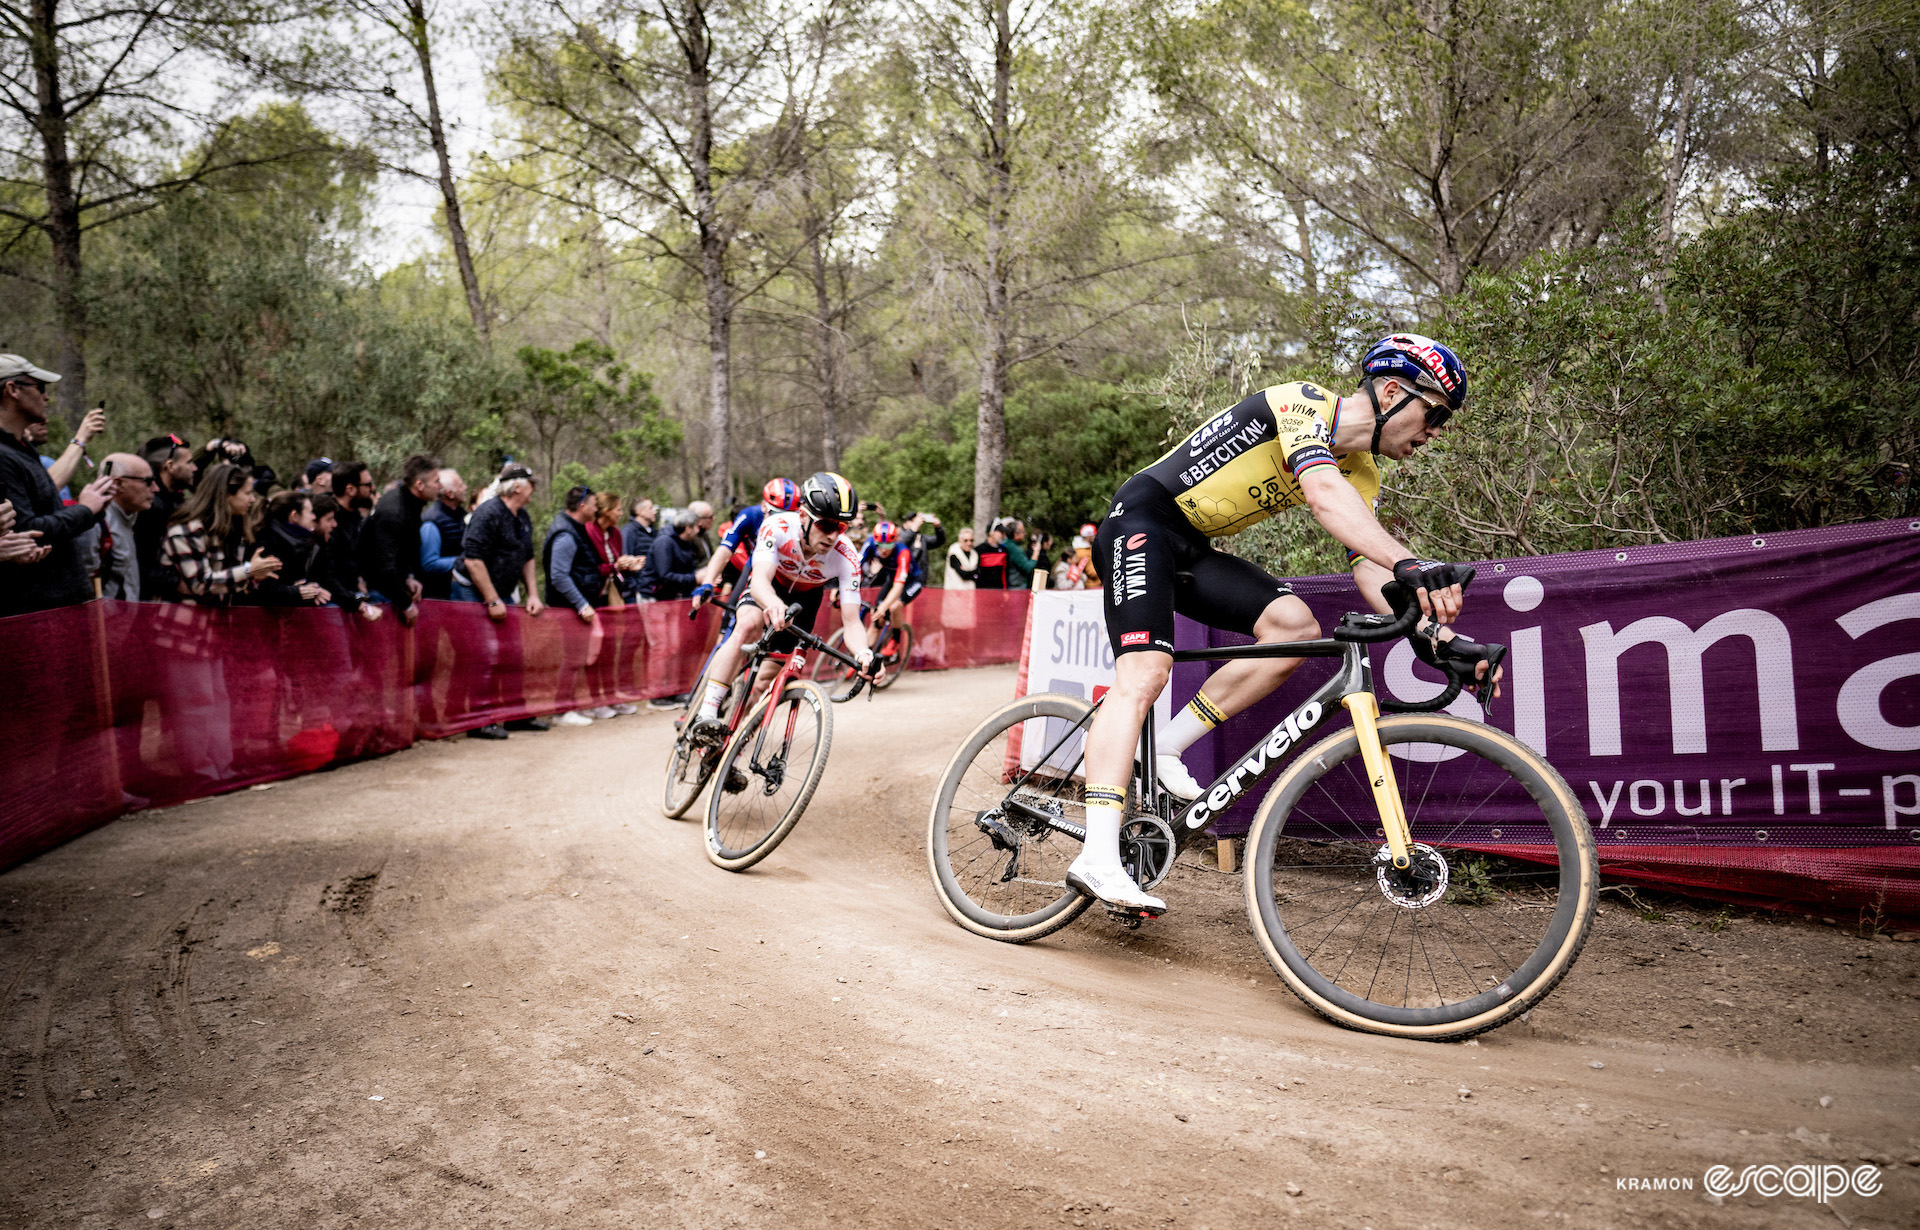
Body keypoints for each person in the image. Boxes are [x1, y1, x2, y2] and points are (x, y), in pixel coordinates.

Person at [1067, 333, 1499, 914]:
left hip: (1192, 547)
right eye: (1436, 413)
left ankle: (1164, 748)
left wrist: (1438, 639)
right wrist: (1411, 564)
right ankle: (1097, 853)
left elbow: (1373, 572)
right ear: (1394, 392)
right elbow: (1322, 494)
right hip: (1140, 523)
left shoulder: (1362, 472)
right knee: (1145, 675)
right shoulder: (1302, 404)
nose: (1437, 431)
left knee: (1293, 628)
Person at [686, 472, 875, 743]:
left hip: (805, 601)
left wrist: (864, 653)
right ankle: (707, 712)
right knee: (748, 624)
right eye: (825, 524)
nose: (832, 535)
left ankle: (734, 746)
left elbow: (852, 620)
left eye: (841, 527)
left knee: (766, 683)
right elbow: (760, 579)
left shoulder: (847, 556)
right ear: (804, 517)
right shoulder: (777, 526)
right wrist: (773, 603)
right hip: (770, 586)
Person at [0, 355, 116, 615]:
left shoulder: (21, 449)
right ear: (12, 390)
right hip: (36, 611)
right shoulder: (3, 455)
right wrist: (86, 509)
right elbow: (28, 530)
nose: (46, 397)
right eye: (39, 388)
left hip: (56, 606)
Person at [460, 463, 546, 739]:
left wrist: (532, 593)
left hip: (504, 592)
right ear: (517, 486)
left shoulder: (522, 516)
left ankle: (515, 714)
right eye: (531, 483)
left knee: (513, 653)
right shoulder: (488, 512)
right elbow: (472, 559)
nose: (534, 488)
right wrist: (492, 599)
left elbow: (528, 557)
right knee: (484, 655)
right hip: (474, 592)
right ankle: (479, 720)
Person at [159, 462, 281, 605]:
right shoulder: (186, 531)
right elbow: (200, 584)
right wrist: (248, 570)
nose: (252, 499)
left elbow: (228, 586)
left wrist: (254, 576)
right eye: (247, 493)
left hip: (215, 622)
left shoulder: (234, 530)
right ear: (226, 494)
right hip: (179, 621)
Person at [358, 453, 441, 626]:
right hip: (378, 592)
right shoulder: (394, 511)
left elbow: (407, 548)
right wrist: (406, 604)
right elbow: (385, 565)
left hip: (395, 586)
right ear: (419, 485)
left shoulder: (412, 504)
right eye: (436, 481)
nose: (440, 486)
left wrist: (409, 577)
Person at [135, 434, 196, 599]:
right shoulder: (149, 508)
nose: (195, 468)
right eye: (189, 462)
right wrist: (175, 583)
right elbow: (139, 562)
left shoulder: (173, 501)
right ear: (170, 466)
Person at [252, 490, 334, 607]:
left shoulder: (299, 542)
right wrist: (297, 591)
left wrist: (311, 591)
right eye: (310, 512)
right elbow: (266, 589)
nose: (314, 517)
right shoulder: (267, 542)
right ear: (294, 516)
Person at [97, 452, 155, 600]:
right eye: (148, 482)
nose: (155, 488)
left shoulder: (129, 518)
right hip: (106, 620)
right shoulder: (97, 524)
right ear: (118, 484)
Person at [858, 520, 925, 630]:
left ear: (895, 542)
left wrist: (884, 606)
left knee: (894, 607)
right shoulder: (870, 543)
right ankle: (870, 646)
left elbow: (898, 586)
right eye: (880, 545)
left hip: (913, 580)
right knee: (877, 619)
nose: (883, 549)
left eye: (888, 545)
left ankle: (895, 639)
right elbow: (855, 565)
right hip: (892, 578)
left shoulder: (903, 552)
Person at [420, 467, 474, 601]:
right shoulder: (431, 521)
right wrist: (464, 562)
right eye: (461, 485)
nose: (465, 487)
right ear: (450, 493)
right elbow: (429, 563)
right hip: (440, 596)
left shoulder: (463, 516)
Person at [326, 460, 375, 603]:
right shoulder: (327, 520)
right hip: (336, 598)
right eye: (367, 484)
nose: (372, 489)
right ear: (350, 490)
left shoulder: (356, 515)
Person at [635, 506, 705, 601]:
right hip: (654, 597)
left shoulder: (686, 542)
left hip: (672, 596)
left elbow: (684, 570)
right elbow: (665, 576)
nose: (698, 530)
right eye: (697, 526)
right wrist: (694, 578)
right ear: (688, 528)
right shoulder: (664, 543)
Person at [622, 496, 659, 561]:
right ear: (641, 512)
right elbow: (626, 558)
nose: (655, 511)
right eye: (650, 508)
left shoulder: (654, 531)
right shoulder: (628, 531)